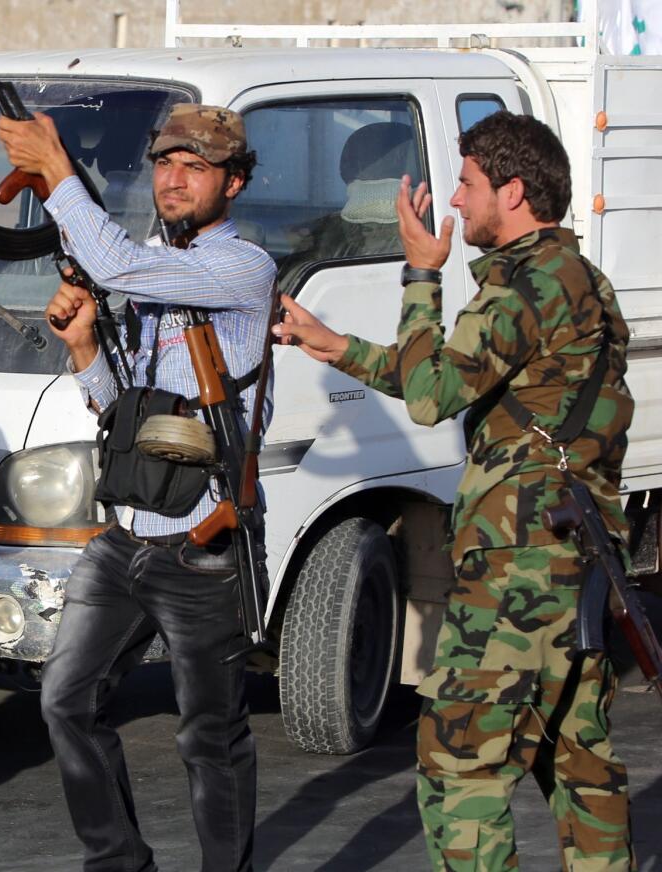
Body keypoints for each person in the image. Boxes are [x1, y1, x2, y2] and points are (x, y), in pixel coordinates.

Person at [273, 111, 636, 870]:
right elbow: (462, 376)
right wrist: (330, 343)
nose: (456, 202)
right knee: (580, 766)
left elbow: (435, 393)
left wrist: (421, 273)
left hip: (519, 571)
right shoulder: (576, 279)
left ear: (512, 190)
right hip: (578, 559)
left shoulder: (523, 289)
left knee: (459, 768)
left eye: (468, 185)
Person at [0, 104, 276, 872]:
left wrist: (55, 168)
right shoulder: (150, 261)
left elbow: (113, 263)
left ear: (235, 182)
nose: (174, 178)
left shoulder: (240, 268)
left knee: (209, 737)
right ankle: (118, 861)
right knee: (65, 701)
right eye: (164, 163)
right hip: (124, 536)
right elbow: (123, 411)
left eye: (196, 166)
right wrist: (84, 346)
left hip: (201, 542)